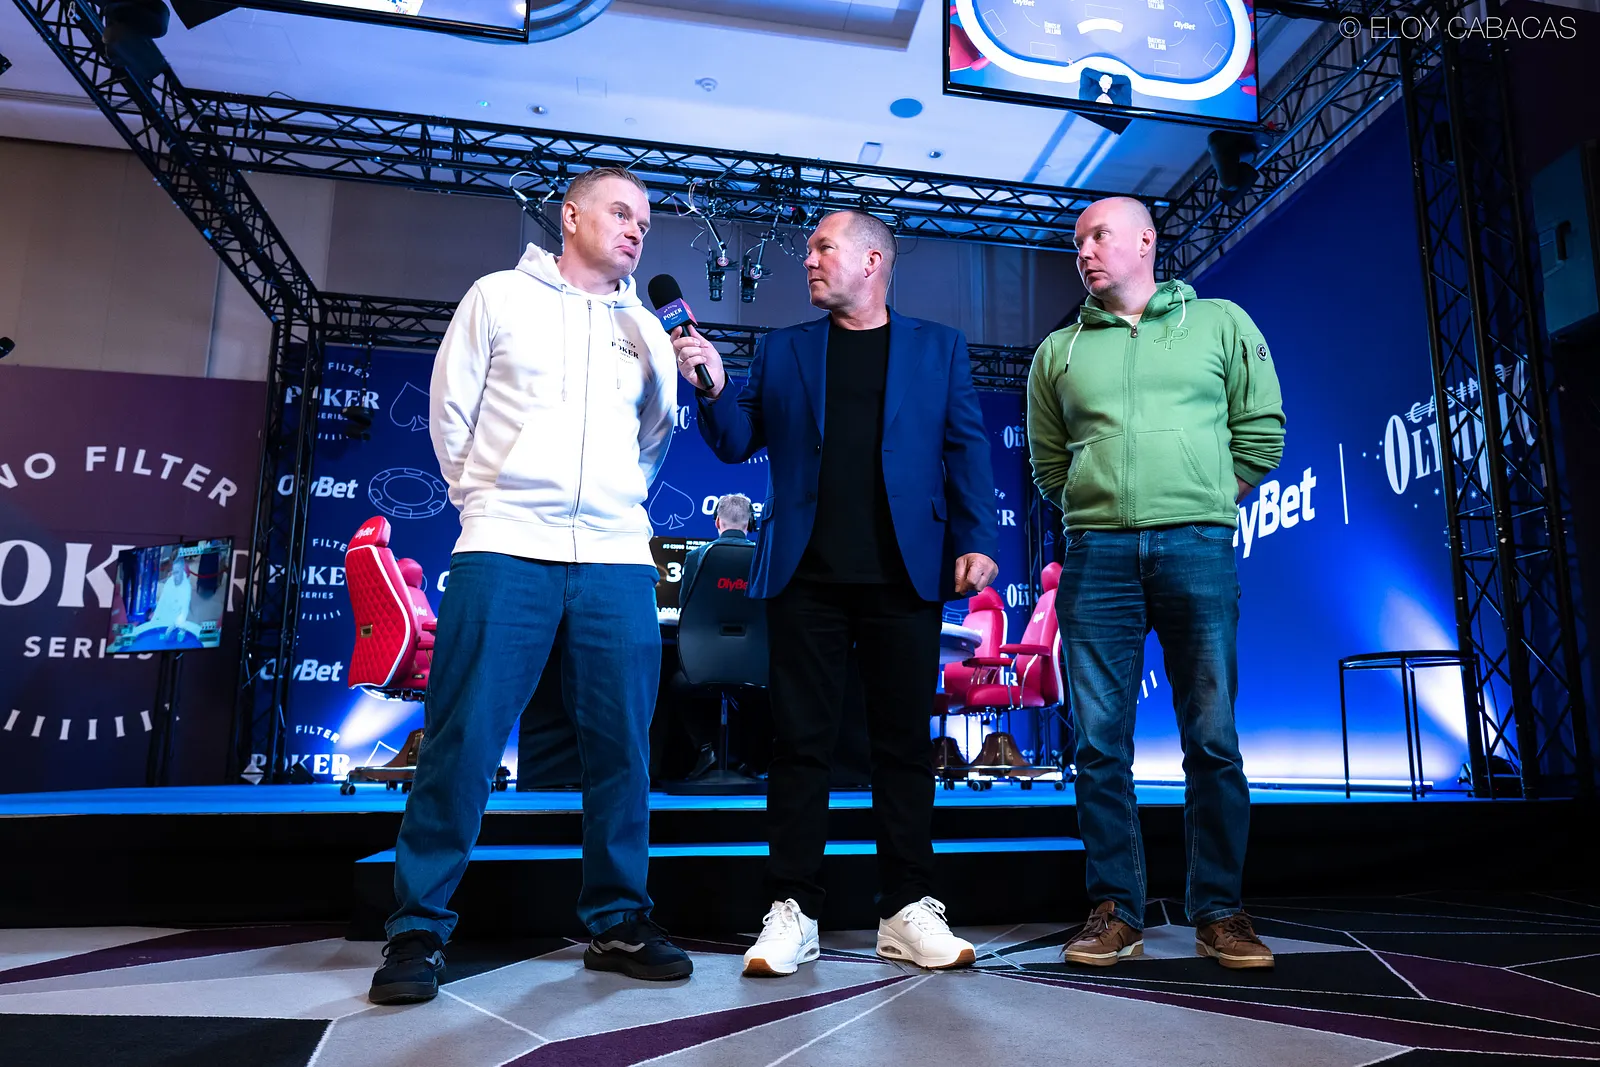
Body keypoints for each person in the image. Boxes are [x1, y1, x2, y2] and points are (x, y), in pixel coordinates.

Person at [369, 166, 692, 1005]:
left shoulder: (647, 328)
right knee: (464, 740)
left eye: (645, 221)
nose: (637, 229)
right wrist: (490, 501)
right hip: (506, 545)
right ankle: (417, 926)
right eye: (621, 212)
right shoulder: (498, 297)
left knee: (622, 748)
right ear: (570, 214)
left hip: (616, 555)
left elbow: (654, 438)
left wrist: (613, 505)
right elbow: (451, 414)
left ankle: (618, 918)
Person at [674, 209, 999, 977]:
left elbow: (966, 446)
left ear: (873, 260)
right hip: (805, 576)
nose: (809, 260)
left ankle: (907, 907)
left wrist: (978, 537)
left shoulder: (939, 347)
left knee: (903, 748)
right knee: (799, 747)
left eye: (823, 247)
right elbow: (735, 440)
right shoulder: (783, 348)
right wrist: (713, 385)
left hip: (905, 572)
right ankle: (793, 909)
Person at [1026, 196, 1285, 970]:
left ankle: (1221, 911)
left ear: (1146, 240)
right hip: (1097, 555)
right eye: (1077, 241)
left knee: (1213, 738)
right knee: (1098, 745)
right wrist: (1099, 508)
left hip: (1197, 546)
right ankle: (1116, 910)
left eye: (1098, 235)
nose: (1084, 251)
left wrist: (1203, 500)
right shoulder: (1058, 351)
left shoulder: (1220, 323)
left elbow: (1261, 430)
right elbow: (1048, 464)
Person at [679, 492, 755, 603]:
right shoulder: (763, 558)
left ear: (717, 522)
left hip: (704, 615)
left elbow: (685, 603)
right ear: (750, 523)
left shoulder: (694, 557)